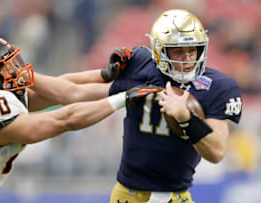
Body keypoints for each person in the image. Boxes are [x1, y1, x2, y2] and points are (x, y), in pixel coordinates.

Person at [0, 35, 162, 203]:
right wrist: (124, 98)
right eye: (6, 65)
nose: (15, 68)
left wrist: (108, 77)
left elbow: (66, 89)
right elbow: (63, 120)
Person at [33, 9, 243, 203]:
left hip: (176, 197)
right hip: (128, 196)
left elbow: (216, 151)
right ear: (159, 51)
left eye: (193, 50)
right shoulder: (141, 67)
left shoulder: (217, 86)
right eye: (178, 51)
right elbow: (73, 90)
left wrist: (186, 118)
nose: (187, 59)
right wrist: (26, 78)